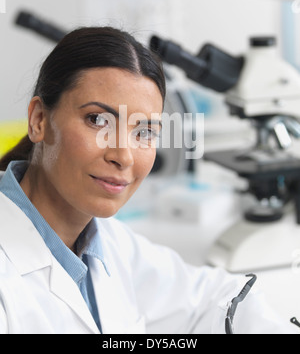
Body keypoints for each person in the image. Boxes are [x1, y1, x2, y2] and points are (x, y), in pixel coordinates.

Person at [0, 27, 293, 334]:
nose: (123, 156)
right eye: (98, 120)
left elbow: (217, 299)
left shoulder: (106, 243)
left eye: (144, 132)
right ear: (39, 120)